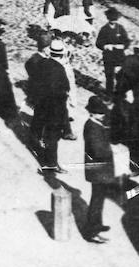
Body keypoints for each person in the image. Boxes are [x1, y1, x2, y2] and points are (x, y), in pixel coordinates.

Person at [30, 39, 71, 175]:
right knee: (52, 136)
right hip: (54, 107)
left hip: (41, 104)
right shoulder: (60, 69)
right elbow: (65, 88)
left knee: (39, 127)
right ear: (61, 55)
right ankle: (51, 164)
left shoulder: (42, 63)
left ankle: (36, 146)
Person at [81, 95, 117, 242]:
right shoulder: (92, 127)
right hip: (98, 171)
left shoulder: (95, 124)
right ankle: (92, 232)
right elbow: (97, 151)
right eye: (100, 113)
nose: (103, 115)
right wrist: (112, 151)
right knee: (97, 199)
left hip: (99, 170)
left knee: (99, 198)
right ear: (92, 113)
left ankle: (97, 224)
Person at [95, 8, 130, 95]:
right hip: (108, 56)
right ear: (108, 19)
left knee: (121, 75)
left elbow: (127, 41)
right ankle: (109, 93)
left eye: (115, 19)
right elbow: (98, 42)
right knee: (109, 75)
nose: (113, 21)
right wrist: (105, 46)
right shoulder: (104, 29)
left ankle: (119, 92)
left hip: (119, 55)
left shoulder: (120, 28)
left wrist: (123, 46)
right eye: (112, 19)